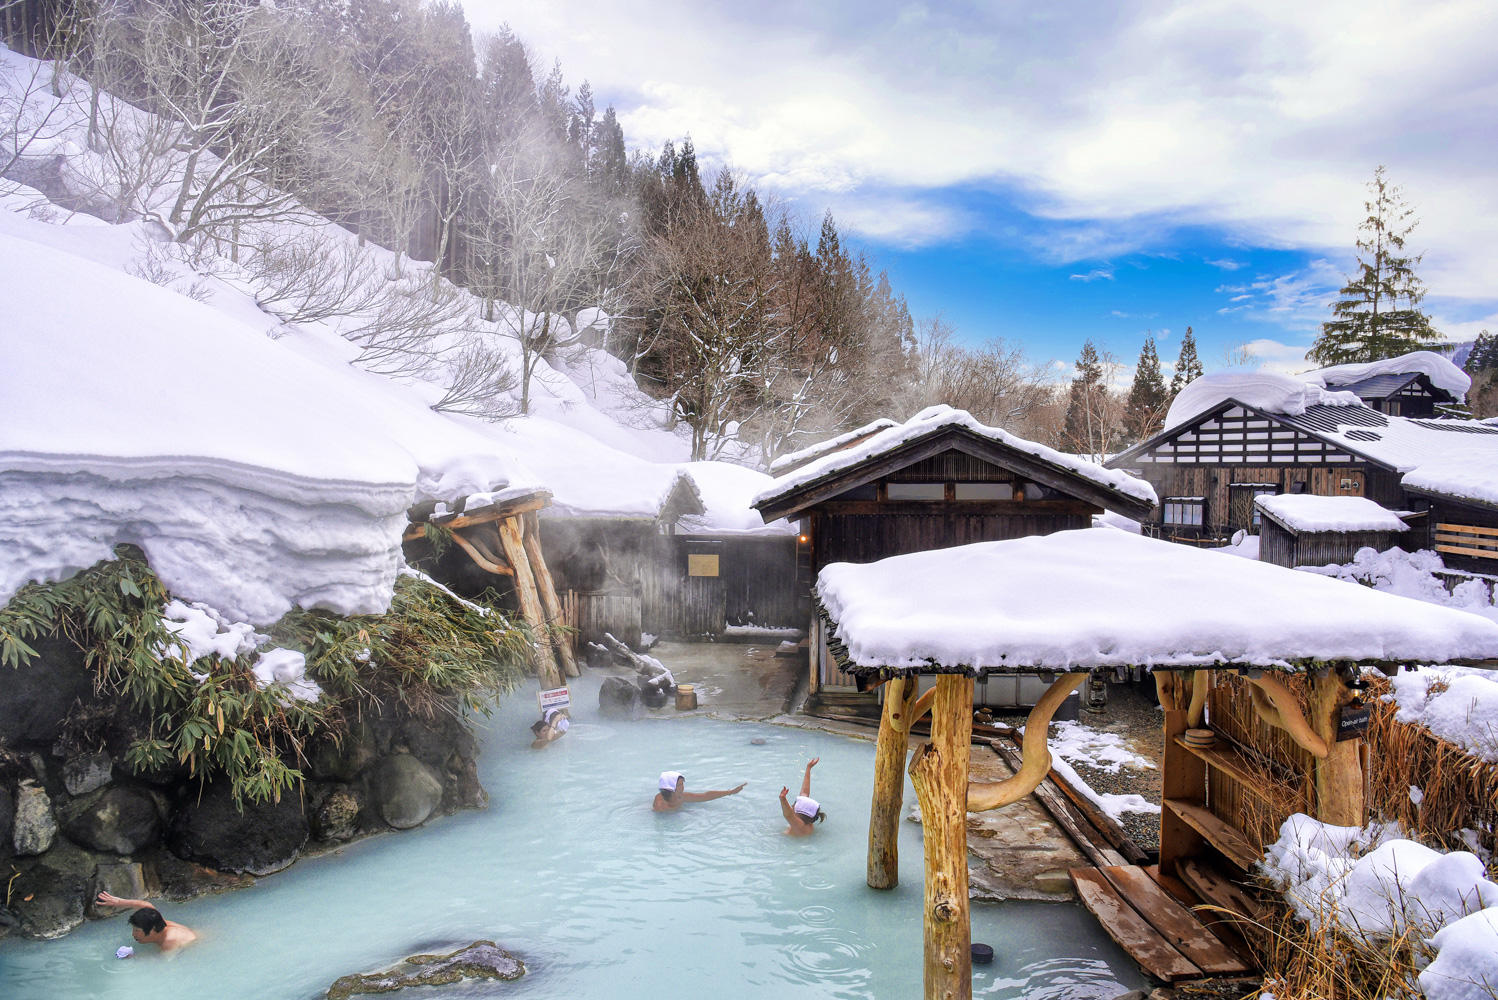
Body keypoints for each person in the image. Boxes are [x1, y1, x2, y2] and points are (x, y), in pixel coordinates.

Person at [95, 892, 198, 952]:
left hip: (196, 946)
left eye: (137, 930)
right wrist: (118, 902)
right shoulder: (157, 919)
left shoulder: (169, 942)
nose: (133, 934)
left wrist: (134, 959)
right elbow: (144, 905)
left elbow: (165, 969)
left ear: (153, 929)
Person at [652, 770, 745, 812]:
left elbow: (705, 796)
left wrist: (730, 792)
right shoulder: (660, 801)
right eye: (680, 785)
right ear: (670, 788)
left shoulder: (681, 797)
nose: (683, 787)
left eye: (682, 784)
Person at [779, 758, 825, 836]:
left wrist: (783, 799)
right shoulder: (809, 822)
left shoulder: (799, 826)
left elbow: (789, 815)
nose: (792, 805)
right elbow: (804, 792)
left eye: (794, 805)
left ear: (799, 815)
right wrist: (808, 768)